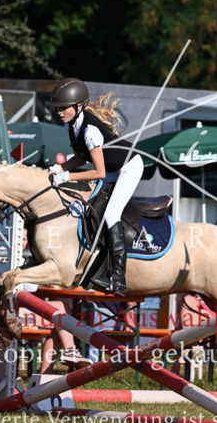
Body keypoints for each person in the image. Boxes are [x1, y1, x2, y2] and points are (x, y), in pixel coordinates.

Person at [45, 77, 144, 296]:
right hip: (112, 167)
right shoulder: (70, 126)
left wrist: (67, 176)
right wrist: (60, 168)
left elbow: (99, 172)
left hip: (129, 167)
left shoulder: (90, 130)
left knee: (111, 214)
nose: (59, 112)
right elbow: (81, 157)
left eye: (63, 108)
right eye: (57, 108)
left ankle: (118, 278)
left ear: (79, 106)